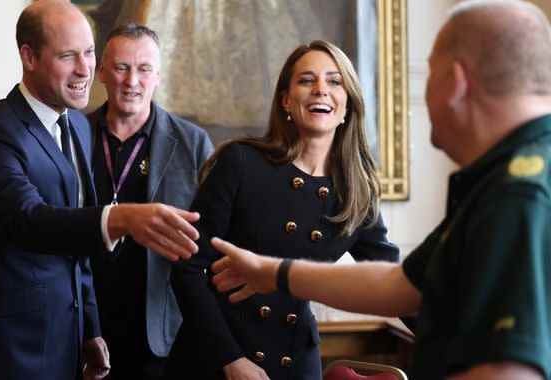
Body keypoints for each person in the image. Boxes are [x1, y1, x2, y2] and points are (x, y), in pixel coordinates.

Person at [209, 1, 551, 379]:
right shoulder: (498, 182)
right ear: (286, 99)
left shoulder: (518, 194)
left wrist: (275, 273)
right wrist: (275, 273)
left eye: (428, 74)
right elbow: (404, 284)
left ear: (454, 82)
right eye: (307, 80)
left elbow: (508, 367)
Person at [0, 2, 201, 380]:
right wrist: (121, 218)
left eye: (88, 53)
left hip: (67, 348)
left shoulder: (78, 128)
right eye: (69, 56)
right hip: (8, 352)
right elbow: (27, 220)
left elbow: (76, 251)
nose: (85, 69)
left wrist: (90, 327)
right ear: (29, 56)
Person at [166, 40, 399, 380]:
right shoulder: (240, 163)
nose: (321, 89)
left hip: (294, 360)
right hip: (215, 358)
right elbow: (187, 269)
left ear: (347, 105)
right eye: (307, 80)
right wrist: (232, 360)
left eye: (334, 82)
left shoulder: (356, 192)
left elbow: (392, 283)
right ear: (286, 100)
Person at [87, 23, 214, 380]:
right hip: (88, 327)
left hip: (163, 333)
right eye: (121, 67)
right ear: (101, 72)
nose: (132, 81)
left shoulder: (193, 144)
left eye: (144, 69)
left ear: (158, 76)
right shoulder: (75, 137)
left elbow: (212, 241)